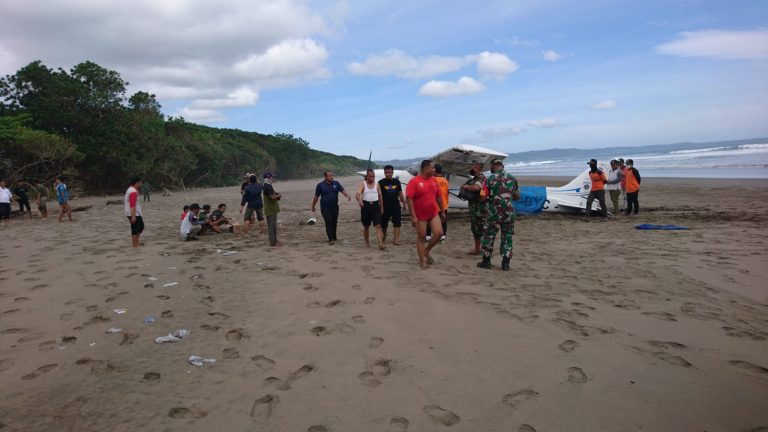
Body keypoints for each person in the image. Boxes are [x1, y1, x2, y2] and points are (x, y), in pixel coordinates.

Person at [477, 159, 519, 271]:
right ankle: (505, 264)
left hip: (494, 213)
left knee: (489, 236)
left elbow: (483, 197)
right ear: (502, 166)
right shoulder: (512, 178)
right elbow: (517, 196)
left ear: (492, 166)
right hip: (509, 213)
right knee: (507, 237)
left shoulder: (489, 179)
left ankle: (486, 261)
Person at [406, 160, 446, 269]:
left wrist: (442, 211)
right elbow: (409, 198)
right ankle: (422, 260)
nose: (434, 170)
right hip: (420, 215)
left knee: (439, 233)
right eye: (432, 168)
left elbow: (438, 196)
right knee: (422, 237)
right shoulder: (414, 181)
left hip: (433, 212)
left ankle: (426, 251)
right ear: (425, 168)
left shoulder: (434, 180)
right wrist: (413, 216)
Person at [311, 170, 351, 245]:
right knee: (328, 221)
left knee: (334, 222)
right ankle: (331, 239)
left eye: (332, 175)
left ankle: (334, 237)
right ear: (325, 177)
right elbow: (316, 196)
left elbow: (342, 190)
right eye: (330, 176)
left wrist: (348, 196)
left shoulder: (336, 183)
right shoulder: (320, 185)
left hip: (335, 207)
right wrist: (313, 206)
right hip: (325, 208)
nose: (332, 177)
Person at [460, 162, 487, 255]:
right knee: (475, 229)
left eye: (473, 167)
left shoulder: (481, 178)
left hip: (480, 209)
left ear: (477, 168)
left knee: (481, 229)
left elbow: (476, 188)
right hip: (475, 208)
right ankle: (477, 249)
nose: (471, 168)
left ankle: (483, 249)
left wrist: (466, 187)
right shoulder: (475, 178)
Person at [355, 169, 386, 250]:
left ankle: (380, 244)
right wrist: (360, 201)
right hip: (365, 206)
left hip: (375, 206)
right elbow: (358, 194)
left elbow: (380, 196)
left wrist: (382, 207)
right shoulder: (363, 184)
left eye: (373, 176)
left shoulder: (377, 184)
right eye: (370, 176)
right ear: (367, 176)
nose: (372, 178)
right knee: (366, 226)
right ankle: (367, 242)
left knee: (378, 226)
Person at [378, 165, 407, 245]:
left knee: (397, 223)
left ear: (392, 172)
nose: (388, 174)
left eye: (390, 172)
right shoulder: (380, 182)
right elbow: (378, 195)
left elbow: (400, 193)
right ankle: (384, 236)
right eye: (386, 172)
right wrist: (379, 206)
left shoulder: (396, 182)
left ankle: (396, 240)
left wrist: (404, 203)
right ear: (384, 173)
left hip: (395, 206)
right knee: (383, 224)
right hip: (385, 206)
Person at [426, 164, 449, 243]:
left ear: (434, 171)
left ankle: (428, 236)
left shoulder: (432, 180)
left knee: (429, 220)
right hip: (444, 204)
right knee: (443, 220)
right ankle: (443, 236)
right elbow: (447, 192)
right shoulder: (445, 180)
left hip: (434, 204)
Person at [262, 172, 282, 246]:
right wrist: (279, 195)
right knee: (272, 226)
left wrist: (276, 194)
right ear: (269, 178)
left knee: (271, 225)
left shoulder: (266, 185)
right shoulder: (268, 186)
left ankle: (273, 241)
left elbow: (271, 195)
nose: (273, 178)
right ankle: (274, 242)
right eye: (272, 177)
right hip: (271, 209)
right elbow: (272, 197)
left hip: (269, 208)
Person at [124, 177, 144, 247]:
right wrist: (133, 216)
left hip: (135, 212)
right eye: (140, 182)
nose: (141, 184)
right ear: (137, 183)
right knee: (135, 228)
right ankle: (135, 244)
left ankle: (136, 241)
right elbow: (132, 204)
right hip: (133, 213)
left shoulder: (132, 190)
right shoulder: (133, 191)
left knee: (141, 226)